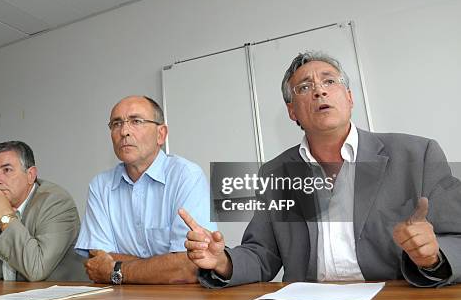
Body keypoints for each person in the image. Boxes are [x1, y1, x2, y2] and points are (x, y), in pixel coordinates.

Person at [181, 51, 461, 288]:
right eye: (304, 87)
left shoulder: (417, 154)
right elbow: (261, 253)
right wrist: (222, 262)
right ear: (293, 112)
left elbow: (456, 238)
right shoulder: (273, 173)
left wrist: (434, 256)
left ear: (349, 97)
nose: (319, 90)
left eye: (329, 81)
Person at [76, 96, 216, 284]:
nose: (124, 131)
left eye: (136, 121)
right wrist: (164, 265)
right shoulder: (100, 186)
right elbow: (97, 261)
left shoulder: (186, 176)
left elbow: (189, 267)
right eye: (116, 123)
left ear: (161, 134)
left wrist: (116, 270)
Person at [0, 141, 85, 282]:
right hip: (7, 299)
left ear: (31, 175)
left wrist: (4, 216)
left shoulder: (56, 203)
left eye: (6, 170)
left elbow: (36, 270)